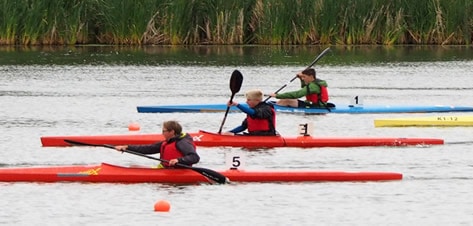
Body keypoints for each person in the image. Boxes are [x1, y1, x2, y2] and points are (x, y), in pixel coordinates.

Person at [115, 120, 200, 168]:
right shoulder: (168, 142)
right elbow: (148, 149)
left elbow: (194, 157)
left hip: (179, 172)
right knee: (134, 167)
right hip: (165, 169)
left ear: (172, 132)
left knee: (134, 168)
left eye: (164, 131)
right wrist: (127, 147)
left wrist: (178, 160)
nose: (162, 133)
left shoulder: (183, 143)